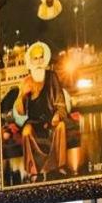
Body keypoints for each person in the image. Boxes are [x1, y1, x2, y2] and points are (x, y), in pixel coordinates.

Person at [12, 42, 72, 181]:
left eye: (41, 58)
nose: (39, 61)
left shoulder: (52, 76)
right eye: (35, 58)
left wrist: (58, 114)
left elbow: (60, 102)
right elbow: (20, 112)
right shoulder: (26, 81)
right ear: (31, 61)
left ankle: (59, 165)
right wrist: (22, 95)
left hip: (51, 119)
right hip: (34, 122)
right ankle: (33, 170)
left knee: (61, 126)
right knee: (26, 132)